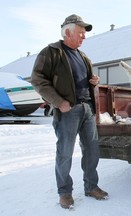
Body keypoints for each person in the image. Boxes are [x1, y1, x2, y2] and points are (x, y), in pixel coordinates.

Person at [31, 14, 108, 209]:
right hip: (68, 110)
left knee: (92, 150)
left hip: (87, 109)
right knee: (64, 153)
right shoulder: (51, 52)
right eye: (80, 33)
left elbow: (85, 80)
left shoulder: (84, 57)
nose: (84, 37)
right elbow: (38, 80)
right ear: (67, 32)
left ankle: (91, 186)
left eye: (84, 34)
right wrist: (58, 102)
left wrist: (94, 82)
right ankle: (64, 193)